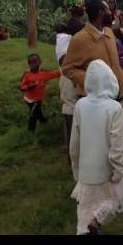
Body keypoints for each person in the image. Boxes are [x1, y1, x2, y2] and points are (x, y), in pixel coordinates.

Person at [70, 59, 123, 235]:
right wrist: (118, 171)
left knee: (84, 210)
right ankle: (96, 223)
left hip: (86, 172)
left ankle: (88, 228)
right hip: (107, 171)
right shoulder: (114, 108)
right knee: (116, 199)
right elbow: (117, 145)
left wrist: (76, 169)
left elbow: (74, 142)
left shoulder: (80, 105)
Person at [62, 0, 123, 99]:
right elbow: (67, 69)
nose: (110, 13)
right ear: (100, 13)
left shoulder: (109, 32)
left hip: (115, 95)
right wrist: (92, 81)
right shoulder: (79, 39)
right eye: (107, 10)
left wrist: (121, 77)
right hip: (93, 98)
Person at [19, 54, 60, 134]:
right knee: (33, 115)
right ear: (29, 64)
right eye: (32, 62)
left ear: (40, 62)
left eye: (36, 61)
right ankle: (31, 131)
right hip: (30, 100)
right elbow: (21, 87)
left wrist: (65, 69)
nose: (34, 64)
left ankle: (43, 121)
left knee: (37, 112)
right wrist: (29, 86)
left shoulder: (44, 73)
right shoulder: (27, 75)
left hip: (39, 99)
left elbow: (54, 74)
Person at [56, 24, 77, 159]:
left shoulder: (62, 77)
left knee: (68, 134)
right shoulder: (71, 78)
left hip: (66, 108)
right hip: (73, 109)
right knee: (73, 135)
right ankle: (73, 157)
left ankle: (70, 156)